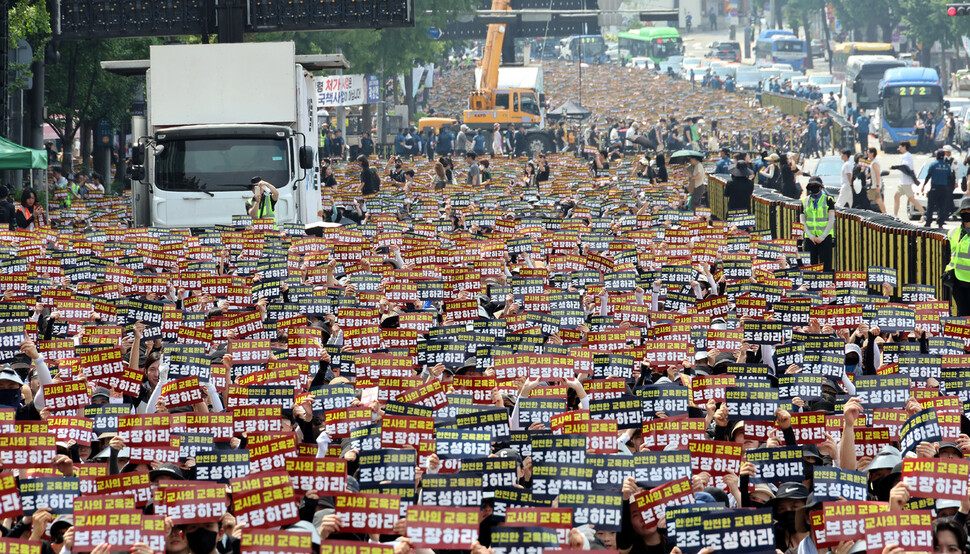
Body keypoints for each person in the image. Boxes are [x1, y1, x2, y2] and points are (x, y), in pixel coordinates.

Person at [800, 176, 835, 271]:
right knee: (809, 267)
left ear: (820, 187)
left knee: (826, 267)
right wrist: (811, 236)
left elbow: (831, 220)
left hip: (825, 237)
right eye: (811, 185)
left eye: (816, 185)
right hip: (810, 238)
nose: (814, 187)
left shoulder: (828, 200)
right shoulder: (804, 201)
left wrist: (822, 237)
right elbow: (802, 221)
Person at [947, 196, 970, 316]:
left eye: (968, 210)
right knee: (963, 313)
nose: (966, 213)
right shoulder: (953, 232)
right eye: (963, 211)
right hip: (957, 281)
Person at [922, 149, 954, 228]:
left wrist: (923, 185)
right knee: (942, 205)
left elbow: (928, 176)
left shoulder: (933, 165)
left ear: (936, 156)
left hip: (935, 188)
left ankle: (928, 222)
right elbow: (950, 178)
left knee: (931, 205)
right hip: (944, 188)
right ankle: (940, 222)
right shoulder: (947, 166)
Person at [892, 141, 924, 218]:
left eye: (900, 147)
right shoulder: (905, 155)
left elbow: (905, 167)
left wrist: (894, 167)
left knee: (911, 199)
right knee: (896, 196)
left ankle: (924, 213)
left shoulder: (907, 156)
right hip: (903, 182)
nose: (899, 148)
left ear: (904, 147)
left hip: (906, 182)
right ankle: (895, 215)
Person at [866, 147, 887, 213]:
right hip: (874, 185)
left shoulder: (874, 163)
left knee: (866, 199)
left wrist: (878, 186)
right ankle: (885, 213)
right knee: (879, 201)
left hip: (875, 186)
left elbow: (877, 174)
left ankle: (884, 214)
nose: (867, 154)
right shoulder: (872, 162)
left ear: (872, 153)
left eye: (868, 153)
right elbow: (872, 173)